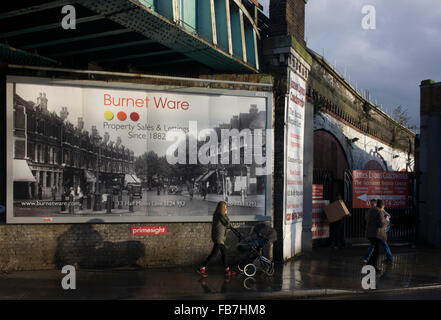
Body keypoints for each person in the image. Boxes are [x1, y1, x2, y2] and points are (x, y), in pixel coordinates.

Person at [198, 201, 237, 277]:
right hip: (219, 238)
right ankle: (202, 268)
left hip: (219, 237)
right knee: (214, 254)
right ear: (222, 207)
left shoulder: (217, 214)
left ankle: (227, 270)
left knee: (224, 253)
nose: (226, 208)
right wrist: (226, 214)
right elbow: (227, 223)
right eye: (225, 207)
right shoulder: (220, 215)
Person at [365, 199, 388, 272]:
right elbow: (381, 224)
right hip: (376, 234)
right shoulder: (379, 212)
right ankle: (374, 267)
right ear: (382, 206)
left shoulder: (371, 210)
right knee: (377, 251)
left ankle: (369, 265)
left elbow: (367, 219)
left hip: (370, 233)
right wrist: (386, 220)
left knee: (375, 250)